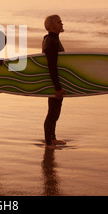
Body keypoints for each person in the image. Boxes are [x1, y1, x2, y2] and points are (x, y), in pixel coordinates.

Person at [42, 15, 66, 149]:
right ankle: (49, 142)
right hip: (53, 82)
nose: (62, 23)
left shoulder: (51, 39)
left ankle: (52, 138)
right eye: (59, 22)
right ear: (51, 26)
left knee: (55, 110)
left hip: (55, 81)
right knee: (52, 112)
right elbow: (52, 66)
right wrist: (57, 87)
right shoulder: (51, 41)